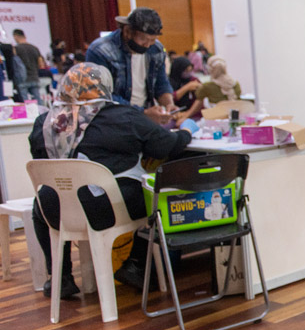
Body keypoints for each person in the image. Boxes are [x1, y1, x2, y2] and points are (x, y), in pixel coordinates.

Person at [28, 63, 196, 297]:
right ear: (105, 87)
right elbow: (164, 146)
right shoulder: (122, 117)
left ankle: (60, 276)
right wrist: (187, 131)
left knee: (39, 206)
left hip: (57, 211)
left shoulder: (44, 123)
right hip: (103, 211)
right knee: (154, 195)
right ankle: (135, 263)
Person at [86, 7, 176, 125]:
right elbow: (101, 95)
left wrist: (168, 104)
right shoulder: (100, 51)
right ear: (128, 32)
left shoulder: (156, 49)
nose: (148, 45)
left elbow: (161, 83)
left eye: (153, 40)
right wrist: (142, 113)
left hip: (144, 119)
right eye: (144, 39)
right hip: (113, 121)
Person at [168, 56, 203, 122]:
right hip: (174, 115)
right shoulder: (169, 82)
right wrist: (187, 88)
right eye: (186, 71)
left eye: (190, 70)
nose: (188, 73)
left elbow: (200, 100)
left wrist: (187, 114)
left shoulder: (194, 80)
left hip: (193, 114)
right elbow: (171, 98)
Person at [13, 29, 44, 101]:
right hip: (34, 77)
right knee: (37, 101)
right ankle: (41, 112)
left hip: (22, 80)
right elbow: (41, 64)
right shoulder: (34, 48)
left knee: (25, 103)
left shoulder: (16, 49)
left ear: (16, 36)